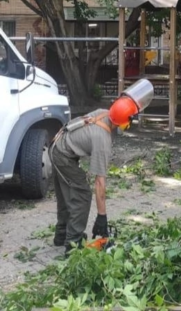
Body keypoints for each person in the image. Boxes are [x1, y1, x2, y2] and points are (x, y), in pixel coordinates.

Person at [50, 79, 153, 255]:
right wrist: (102, 217)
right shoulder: (102, 140)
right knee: (82, 194)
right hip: (62, 155)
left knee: (66, 193)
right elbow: (100, 183)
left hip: (59, 144)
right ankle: (72, 244)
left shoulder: (104, 113)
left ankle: (61, 235)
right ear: (124, 122)